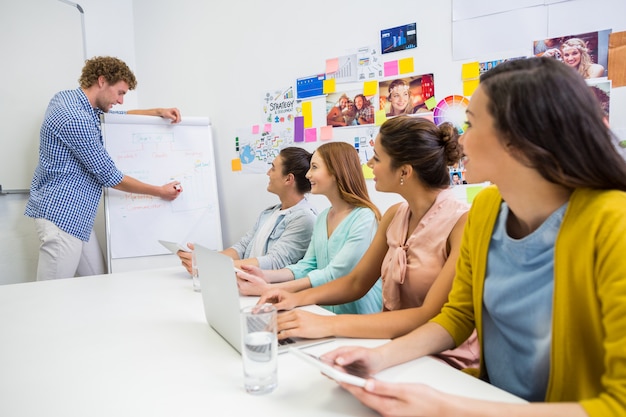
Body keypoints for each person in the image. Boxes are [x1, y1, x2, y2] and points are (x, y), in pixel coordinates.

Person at [320, 57, 626, 416]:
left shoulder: (613, 224)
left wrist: (445, 409)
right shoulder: (485, 209)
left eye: (471, 124)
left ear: (519, 138)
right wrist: (375, 358)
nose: (460, 140)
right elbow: (456, 316)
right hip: (487, 398)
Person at [257, 116, 478, 370]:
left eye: (377, 158)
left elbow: (428, 316)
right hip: (391, 347)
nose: (370, 164)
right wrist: (294, 298)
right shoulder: (395, 214)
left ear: (405, 171)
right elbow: (356, 282)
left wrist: (325, 324)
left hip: (444, 361)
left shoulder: (462, 222)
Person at [25, 56, 183, 281]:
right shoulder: (75, 118)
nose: (120, 101)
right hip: (62, 217)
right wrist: (161, 191)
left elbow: (116, 116)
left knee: (98, 282)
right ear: (101, 81)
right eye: (120, 93)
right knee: (50, 295)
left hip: (78, 216)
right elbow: (111, 177)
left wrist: (157, 111)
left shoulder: (68, 100)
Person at [237, 142, 382, 315]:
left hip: (357, 316)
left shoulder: (364, 218)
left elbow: (334, 273)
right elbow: (307, 265)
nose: (308, 174)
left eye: (314, 167)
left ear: (336, 172)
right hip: (324, 312)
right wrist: (264, 275)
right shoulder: (323, 218)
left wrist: (269, 289)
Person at [177, 147, 317, 272]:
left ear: (288, 179)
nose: (268, 173)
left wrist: (212, 266)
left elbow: (275, 262)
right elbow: (242, 248)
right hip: (244, 284)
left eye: (273, 168)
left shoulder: (304, 218)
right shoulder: (269, 213)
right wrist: (205, 259)